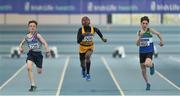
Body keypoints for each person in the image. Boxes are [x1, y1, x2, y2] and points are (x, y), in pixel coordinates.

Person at [19, 20, 50, 91]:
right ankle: (33, 85)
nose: (32, 27)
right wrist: (20, 48)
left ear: (36, 28)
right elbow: (21, 44)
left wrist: (47, 49)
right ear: (28, 27)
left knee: (39, 72)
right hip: (31, 54)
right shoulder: (27, 36)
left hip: (38, 55)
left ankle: (38, 67)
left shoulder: (37, 35)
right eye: (30, 26)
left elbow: (44, 42)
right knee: (29, 68)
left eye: (34, 26)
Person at [135, 16, 164, 90]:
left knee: (147, 64)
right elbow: (137, 44)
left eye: (146, 23)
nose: (144, 25)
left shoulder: (150, 30)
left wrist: (161, 41)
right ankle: (148, 83)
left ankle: (152, 65)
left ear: (148, 24)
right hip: (141, 53)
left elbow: (158, 34)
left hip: (149, 51)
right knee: (143, 70)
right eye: (143, 23)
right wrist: (140, 37)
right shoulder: (138, 32)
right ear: (141, 23)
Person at [77, 16, 107, 81]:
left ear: (89, 22)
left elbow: (98, 31)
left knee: (87, 57)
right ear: (82, 23)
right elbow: (78, 41)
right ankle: (83, 69)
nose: (85, 22)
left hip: (90, 47)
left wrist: (103, 38)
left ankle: (88, 74)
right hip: (82, 48)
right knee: (82, 64)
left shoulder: (93, 29)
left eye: (87, 21)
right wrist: (82, 35)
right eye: (84, 21)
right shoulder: (80, 30)